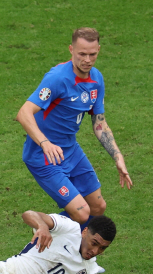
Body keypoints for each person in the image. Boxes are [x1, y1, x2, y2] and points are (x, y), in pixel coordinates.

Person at [16, 27, 132, 230]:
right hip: (44, 156)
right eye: (82, 54)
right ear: (71, 50)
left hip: (71, 150)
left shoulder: (97, 80)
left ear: (99, 50)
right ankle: (40, 224)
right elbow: (23, 113)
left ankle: (71, 253)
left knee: (98, 207)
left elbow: (99, 123)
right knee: (81, 212)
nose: (87, 59)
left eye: (92, 54)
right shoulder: (57, 78)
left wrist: (118, 157)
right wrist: (45, 143)